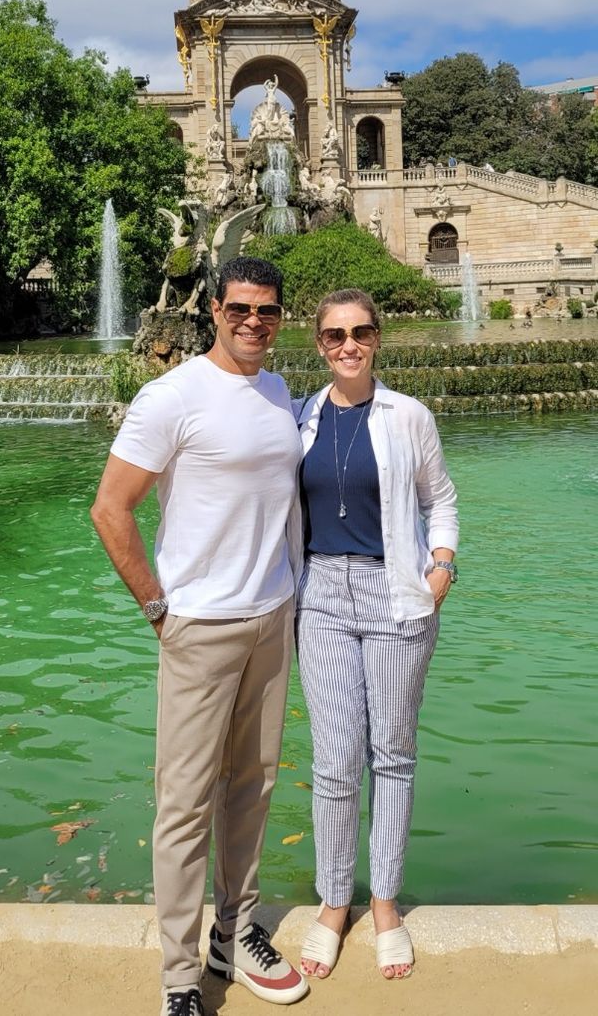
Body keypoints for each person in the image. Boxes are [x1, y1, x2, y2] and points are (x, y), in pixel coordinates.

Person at [91, 256, 308, 1016]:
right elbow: (110, 510)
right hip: (199, 627)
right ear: (214, 309)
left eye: (269, 311)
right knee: (183, 807)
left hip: (271, 617)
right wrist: (159, 610)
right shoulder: (171, 395)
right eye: (241, 308)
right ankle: (180, 978)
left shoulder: (280, 393)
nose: (255, 321)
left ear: (281, 318)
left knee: (252, 789)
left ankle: (236, 930)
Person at [295, 288, 458, 983]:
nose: (348, 345)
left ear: (378, 339)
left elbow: (439, 498)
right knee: (334, 764)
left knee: (391, 755)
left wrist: (442, 566)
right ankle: (335, 902)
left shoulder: (407, 415)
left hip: (396, 594)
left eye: (360, 332)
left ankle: (385, 902)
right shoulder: (299, 416)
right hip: (321, 595)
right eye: (335, 335)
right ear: (320, 344)